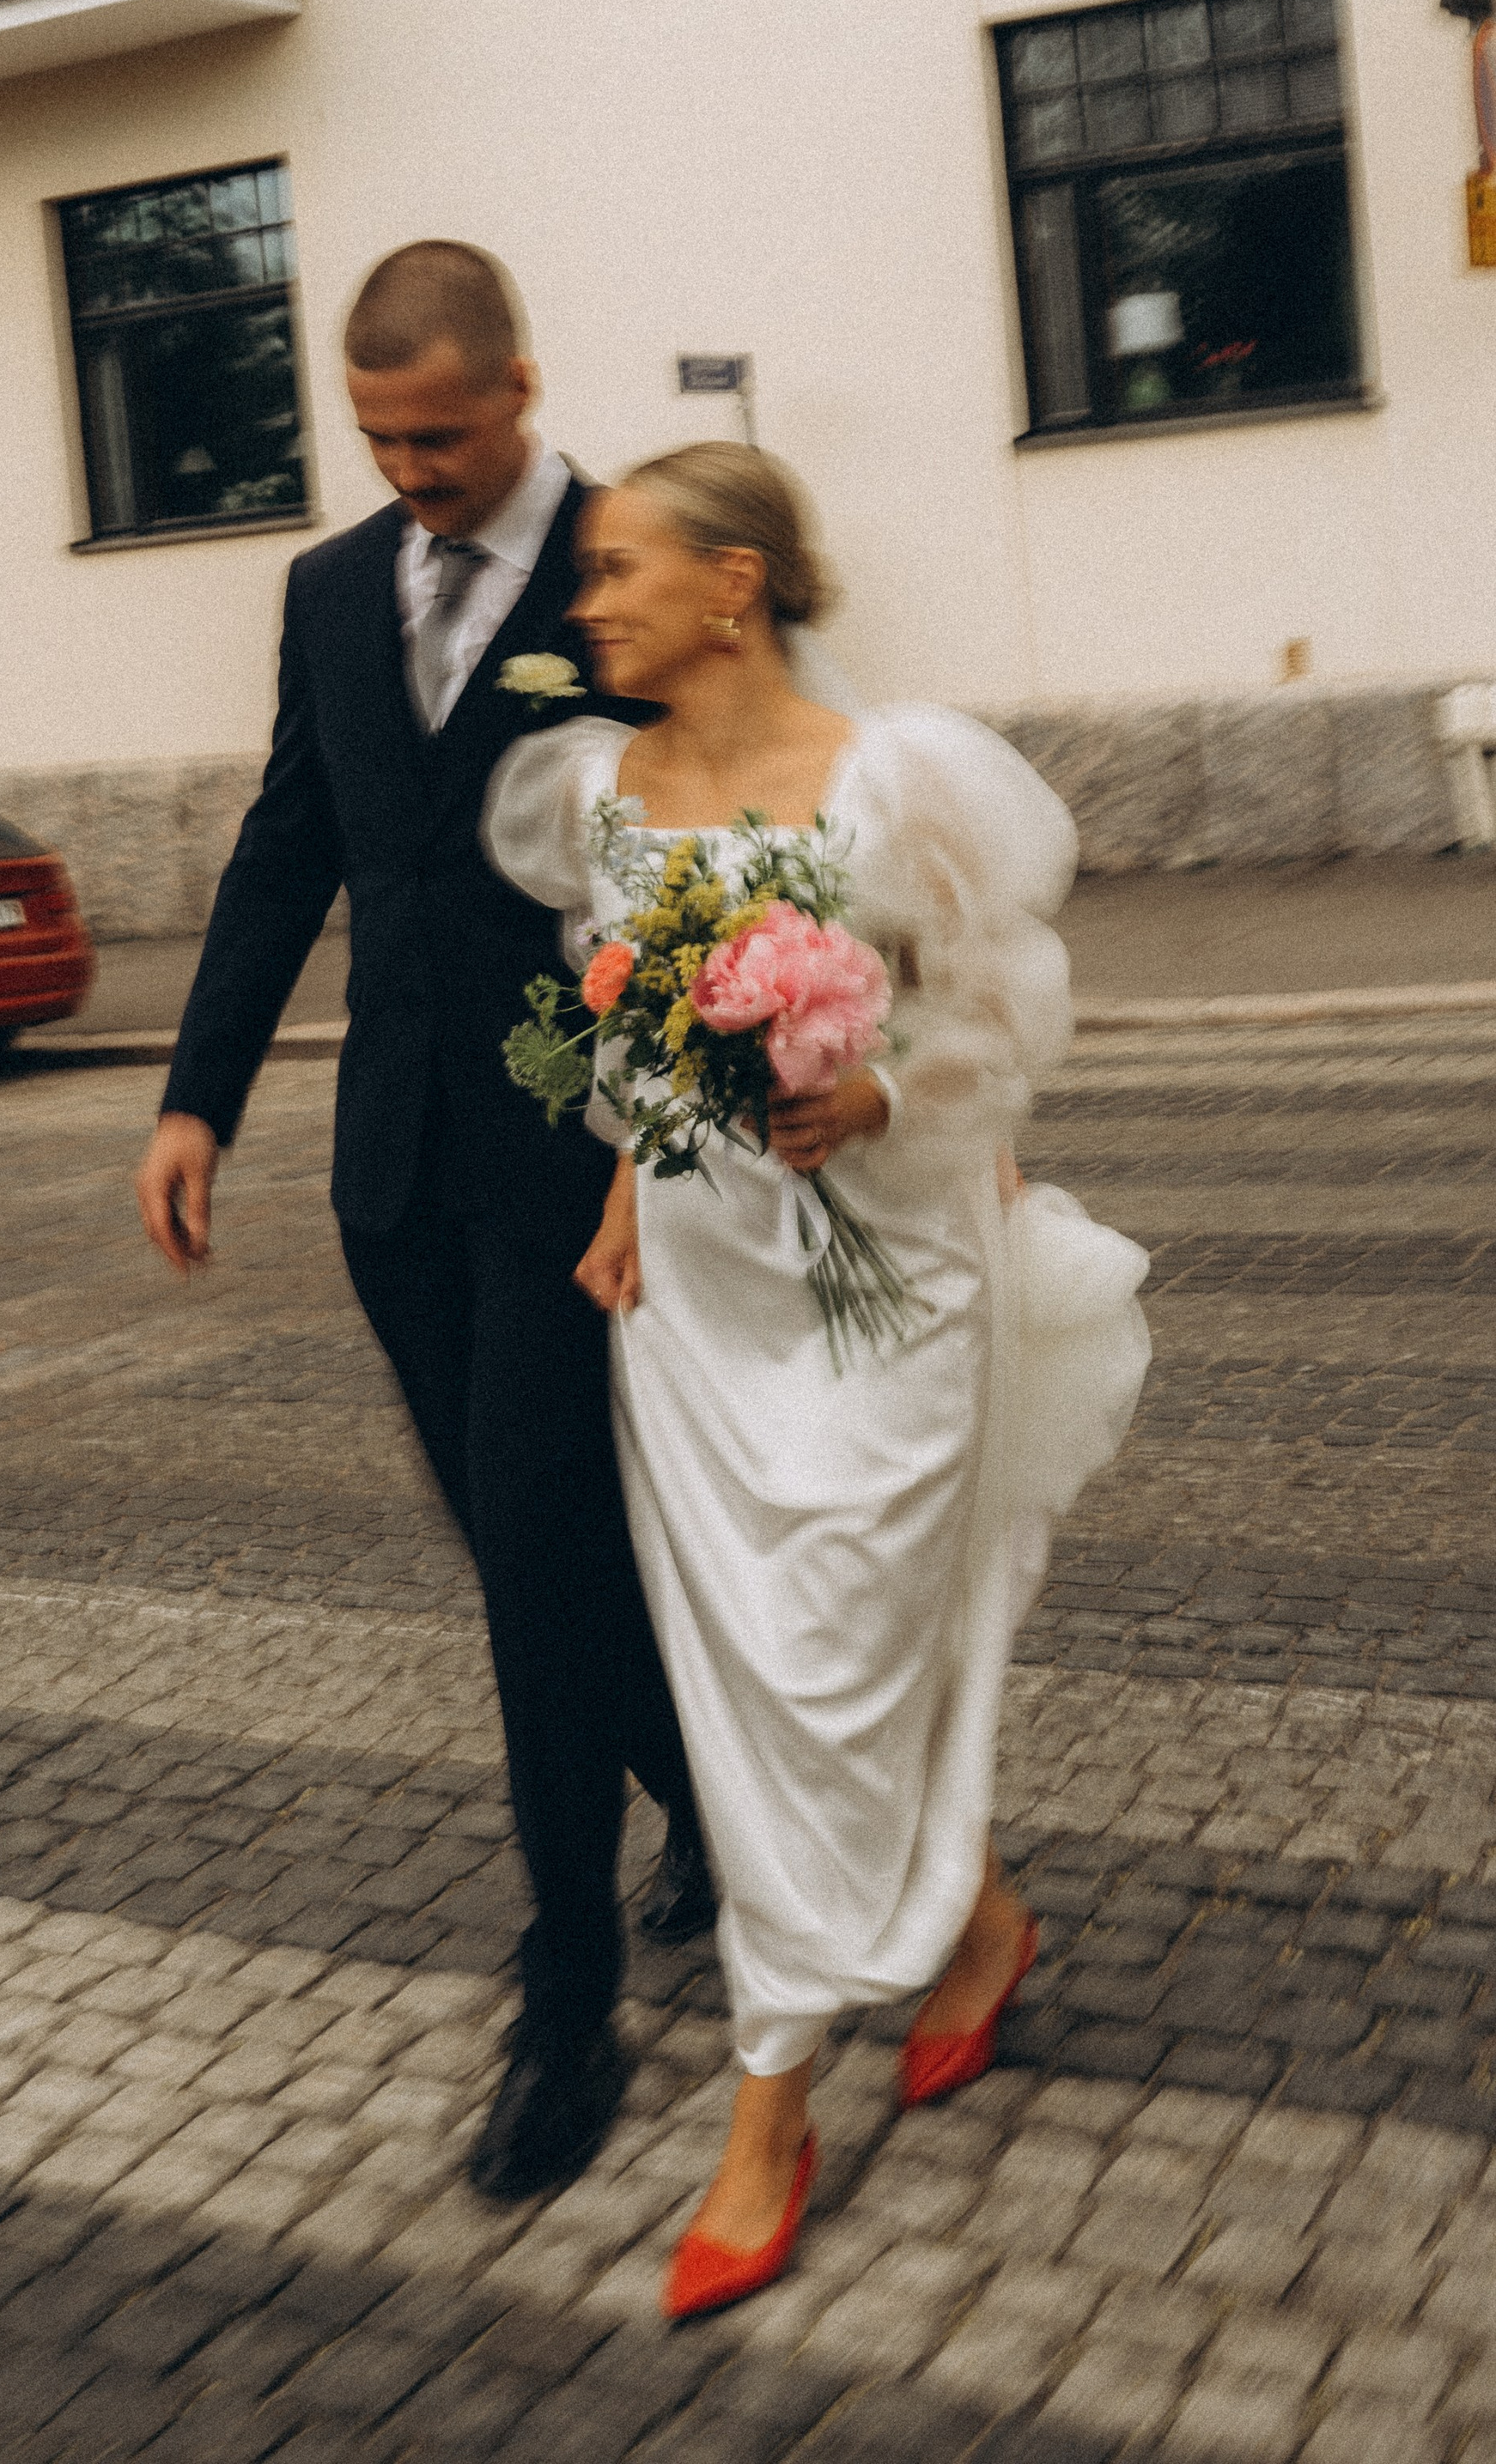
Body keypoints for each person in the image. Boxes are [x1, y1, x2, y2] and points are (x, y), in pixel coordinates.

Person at [483, 442, 1149, 2318]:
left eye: (618, 569)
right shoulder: (601, 788)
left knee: (836, 1638)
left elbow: (1000, 1012)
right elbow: (636, 1025)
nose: (584, 601)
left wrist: (873, 1088)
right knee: (762, 1678)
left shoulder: (888, 779)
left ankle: (764, 2112)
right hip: (698, 1294)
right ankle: (977, 1922)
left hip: (883, 1277)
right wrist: (624, 1184)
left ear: (736, 583)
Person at [137, 242, 713, 2202]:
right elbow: (292, 836)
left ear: (523, 388)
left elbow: (710, 811)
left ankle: (565, 2001)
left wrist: (691, 1098)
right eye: (378, 439)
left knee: (538, 1546)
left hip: (584, 1163)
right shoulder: (322, 590)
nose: (410, 474)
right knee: (515, 1549)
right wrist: (195, 1093)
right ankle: (708, 1792)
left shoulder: (634, 556)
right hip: (393, 1168)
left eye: (443, 436)